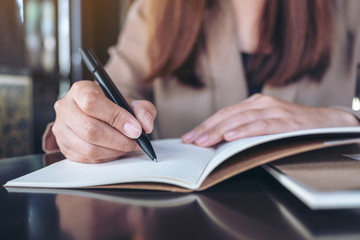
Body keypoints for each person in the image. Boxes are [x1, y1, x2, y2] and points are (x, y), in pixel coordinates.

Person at [43, 0, 360, 163]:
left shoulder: (346, 8)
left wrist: (340, 119)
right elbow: (115, 96)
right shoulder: (158, 9)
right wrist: (84, 122)